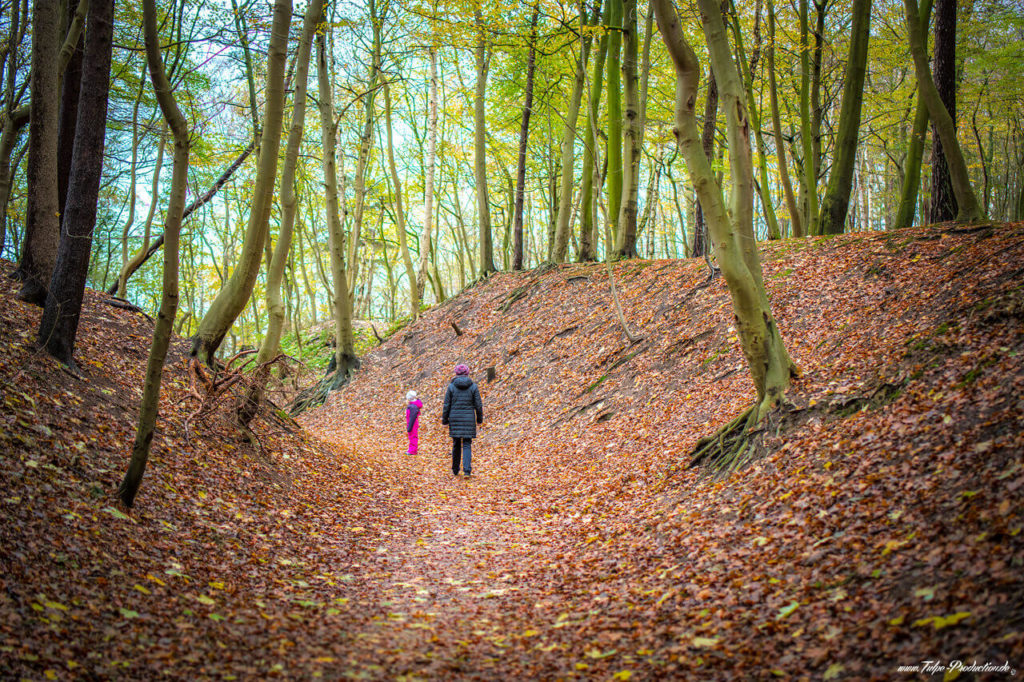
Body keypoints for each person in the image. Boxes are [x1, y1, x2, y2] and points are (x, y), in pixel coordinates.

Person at [441, 363, 483, 477]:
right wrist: (479, 419)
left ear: (456, 373)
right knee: (467, 444)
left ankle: (455, 469)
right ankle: (467, 471)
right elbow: (478, 405)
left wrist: (445, 420)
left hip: (455, 419)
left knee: (456, 443)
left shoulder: (451, 387)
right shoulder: (473, 386)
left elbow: (446, 405)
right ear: (467, 373)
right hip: (469, 419)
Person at [406, 391, 422, 455]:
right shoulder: (414, 405)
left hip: (413, 424)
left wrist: (409, 427)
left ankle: (413, 450)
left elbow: (412, 418)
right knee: (412, 436)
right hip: (413, 423)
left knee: (413, 436)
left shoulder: (412, 407)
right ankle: (411, 449)